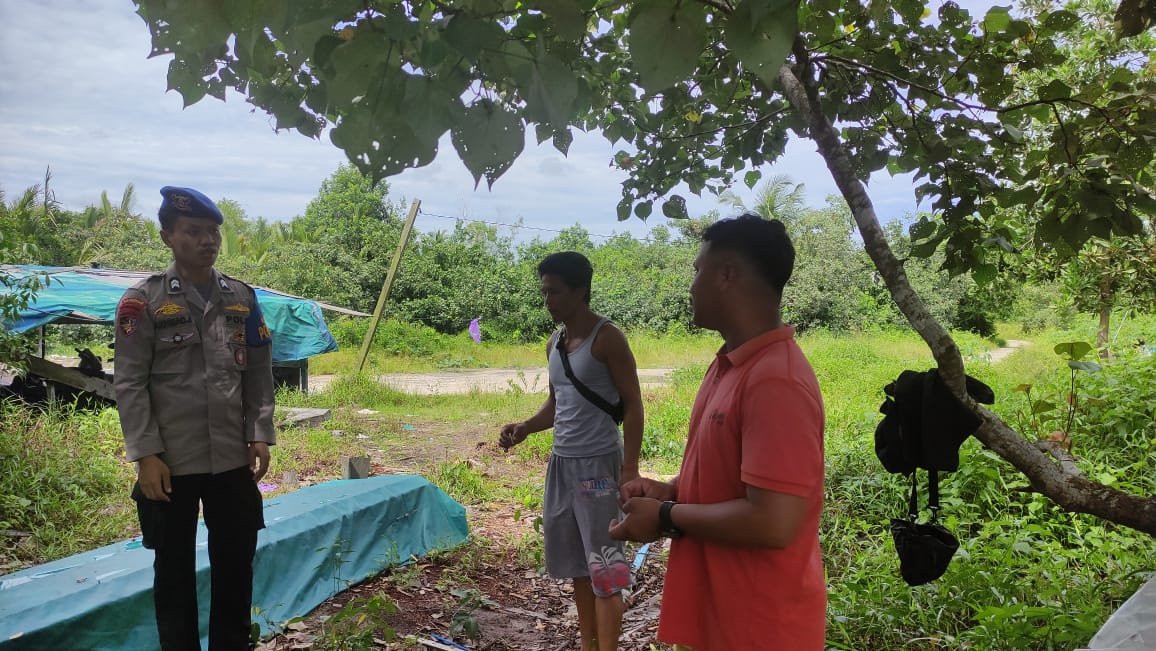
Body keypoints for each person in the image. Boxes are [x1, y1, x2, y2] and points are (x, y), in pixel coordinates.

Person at [608, 214, 826, 650]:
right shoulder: (729, 364)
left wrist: (665, 519)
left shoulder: (775, 380)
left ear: (726, 274)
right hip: (725, 618)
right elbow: (729, 481)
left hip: (761, 626)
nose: (691, 287)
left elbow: (773, 521)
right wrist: (668, 491)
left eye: (697, 271)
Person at [114, 186, 276, 651]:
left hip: (230, 458)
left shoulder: (242, 298)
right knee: (174, 572)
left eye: (212, 232)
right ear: (168, 236)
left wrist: (259, 433)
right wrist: (145, 454)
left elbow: (260, 372)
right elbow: (129, 381)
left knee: (235, 566)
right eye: (193, 231)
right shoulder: (141, 301)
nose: (207, 241)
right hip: (171, 463)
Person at [498, 251, 644, 651]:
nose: (548, 301)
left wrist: (629, 469)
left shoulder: (607, 338)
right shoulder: (555, 343)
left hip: (598, 466)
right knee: (580, 568)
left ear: (581, 290)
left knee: (605, 570)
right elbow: (557, 403)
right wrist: (527, 427)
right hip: (562, 465)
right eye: (544, 292)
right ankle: (589, 645)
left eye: (556, 292)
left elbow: (632, 404)